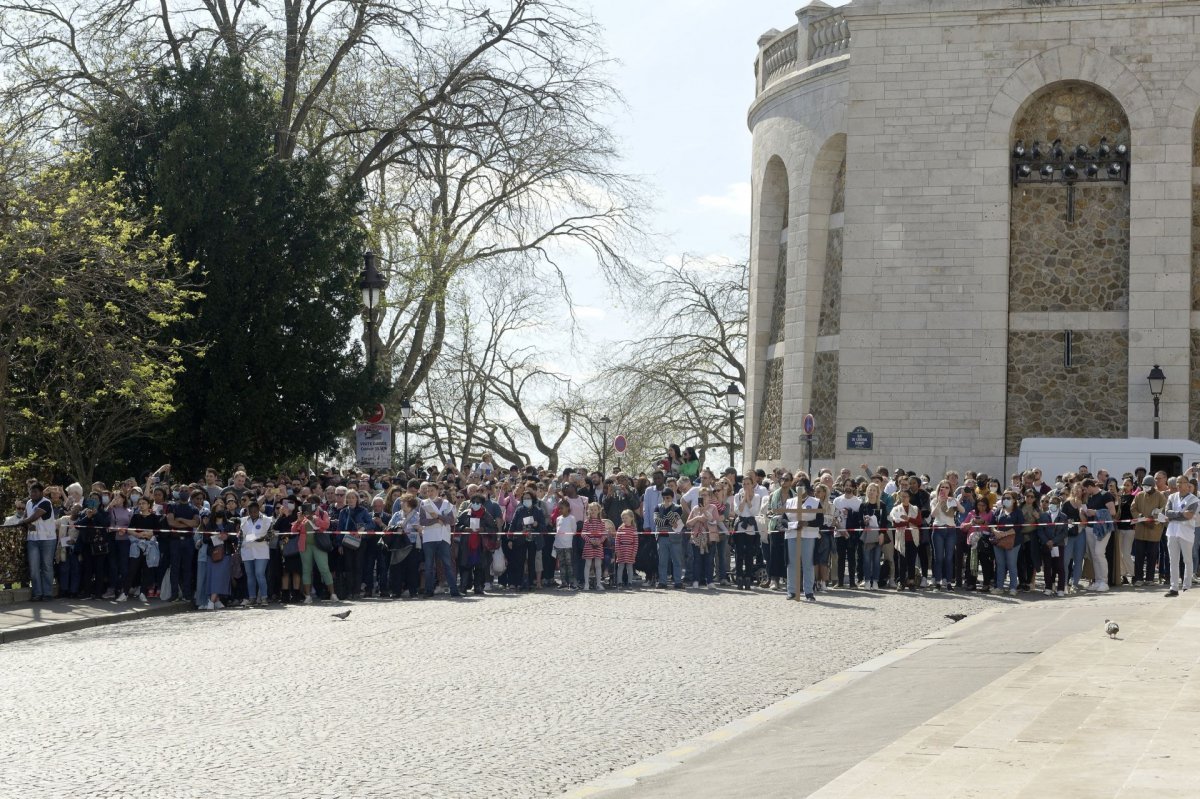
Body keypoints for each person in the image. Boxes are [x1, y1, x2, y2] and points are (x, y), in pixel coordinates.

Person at [292, 501, 338, 604]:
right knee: (306, 570)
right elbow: (293, 530)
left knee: (324, 568)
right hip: (305, 546)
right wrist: (299, 521)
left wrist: (314, 518)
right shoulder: (302, 516)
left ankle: (333, 594)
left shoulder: (323, 513)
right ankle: (307, 596)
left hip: (319, 545)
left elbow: (326, 525)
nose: (308, 509)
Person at [19, 483, 57, 601]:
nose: (32, 494)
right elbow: (25, 517)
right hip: (33, 540)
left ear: (41, 492)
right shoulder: (29, 503)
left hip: (47, 539)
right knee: (34, 568)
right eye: (31, 491)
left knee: (46, 566)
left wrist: (25, 522)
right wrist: (27, 523)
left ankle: (47, 593)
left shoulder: (46, 502)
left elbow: (34, 516)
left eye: (35, 491)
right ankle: (37, 593)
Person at [1164, 475, 1200, 597]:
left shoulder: (1194, 499)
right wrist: (1180, 514)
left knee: (1187, 560)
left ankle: (1186, 587)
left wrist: (1174, 516)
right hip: (1172, 532)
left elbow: (1189, 515)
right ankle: (1174, 588)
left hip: (1186, 532)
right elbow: (1167, 512)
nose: (1178, 485)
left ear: (1188, 484)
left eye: (1181, 482)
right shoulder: (1171, 497)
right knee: (1173, 560)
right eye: (1177, 483)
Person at [1081, 478, 1115, 592]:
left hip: (1103, 529)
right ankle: (1098, 580)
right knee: (1094, 556)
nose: (1084, 491)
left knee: (1099, 553)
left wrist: (1095, 512)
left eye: (1085, 489)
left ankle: (1104, 582)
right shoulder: (1090, 497)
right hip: (1090, 528)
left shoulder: (1105, 495)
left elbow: (1112, 511)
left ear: (1090, 486)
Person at [1131, 476, 1166, 585]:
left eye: (1148, 486)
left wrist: (1154, 519)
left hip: (1154, 531)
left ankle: (1150, 579)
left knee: (1152, 556)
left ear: (1153, 486)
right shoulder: (1139, 495)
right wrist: (1140, 516)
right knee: (1139, 556)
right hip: (1140, 530)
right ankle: (1138, 578)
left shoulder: (1160, 496)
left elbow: (1164, 511)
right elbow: (1133, 508)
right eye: (1144, 486)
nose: (1146, 488)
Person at [239, 501, 272, 606]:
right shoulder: (243, 521)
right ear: (248, 511)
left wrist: (261, 538)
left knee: (259, 573)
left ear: (259, 510)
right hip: (247, 550)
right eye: (251, 512)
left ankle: (264, 597)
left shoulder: (266, 520)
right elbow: (240, 536)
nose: (253, 514)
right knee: (250, 575)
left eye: (255, 511)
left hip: (261, 550)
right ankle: (252, 597)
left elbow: (271, 534)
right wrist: (238, 549)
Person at [992, 490, 1022, 596]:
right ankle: (999, 587)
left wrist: (1004, 534)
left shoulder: (1018, 512)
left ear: (1014, 500)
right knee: (1000, 564)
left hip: (1013, 541)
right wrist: (995, 532)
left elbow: (1019, 527)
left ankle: (1013, 587)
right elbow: (992, 524)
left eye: (1008, 498)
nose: (1006, 500)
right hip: (998, 541)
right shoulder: (998, 511)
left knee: (1011, 564)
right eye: (1004, 498)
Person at [653, 489, 685, 590]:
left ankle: (678, 582)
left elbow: (675, 520)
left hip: (675, 539)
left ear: (672, 497)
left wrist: (666, 519)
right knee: (662, 562)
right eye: (664, 498)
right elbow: (657, 521)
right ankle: (662, 582)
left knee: (677, 561)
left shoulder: (678, 508)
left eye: (668, 498)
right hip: (662, 538)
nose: (666, 500)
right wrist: (668, 521)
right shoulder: (657, 507)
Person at [1038, 494, 1067, 597]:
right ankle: (1048, 587)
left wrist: (1053, 541)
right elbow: (1040, 530)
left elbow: (1064, 532)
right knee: (1047, 567)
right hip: (1046, 545)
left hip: (1059, 545)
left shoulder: (1063, 516)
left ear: (1059, 505)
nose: (1051, 505)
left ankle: (1060, 589)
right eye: (1050, 503)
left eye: (1054, 503)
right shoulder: (1043, 515)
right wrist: (1047, 541)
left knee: (1059, 567)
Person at [581, 502, 607, 591]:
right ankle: (586, 584)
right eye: (591, 509)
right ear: (588, 510)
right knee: (587, 564)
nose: (593, 511)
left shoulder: (602, 522)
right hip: (589, 545)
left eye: (595, 510)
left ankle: (599, 584)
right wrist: (590, 540)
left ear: (599, 510)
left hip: (598, 545)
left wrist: (600, 541)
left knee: (598, 565)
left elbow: (604, 534)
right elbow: (583, 534)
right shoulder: (586, 522)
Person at [553, 499, 578, 590]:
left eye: (562, 508)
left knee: (569, 564)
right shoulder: (558, 518)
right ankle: (563, 582)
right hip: (559, 545)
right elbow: (557, 530)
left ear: (568, 508)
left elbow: (574, 531)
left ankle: (571, 583)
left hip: (568, 545)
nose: (560, 510)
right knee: (562, 564)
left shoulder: (572, 518)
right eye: (559, 508)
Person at [614, 509, 638, 589]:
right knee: (620, 567)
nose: (624, 519)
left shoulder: (634, 529)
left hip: (630, 551)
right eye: (623, 518)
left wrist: (634, 552)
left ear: (631, 518)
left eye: (626, 518)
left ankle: (630, 582)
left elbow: (636, 542)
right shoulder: (620, 529)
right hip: (621, 550)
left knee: (630, 567)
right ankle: (619, 582)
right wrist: (617, 551)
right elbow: (617, 541)